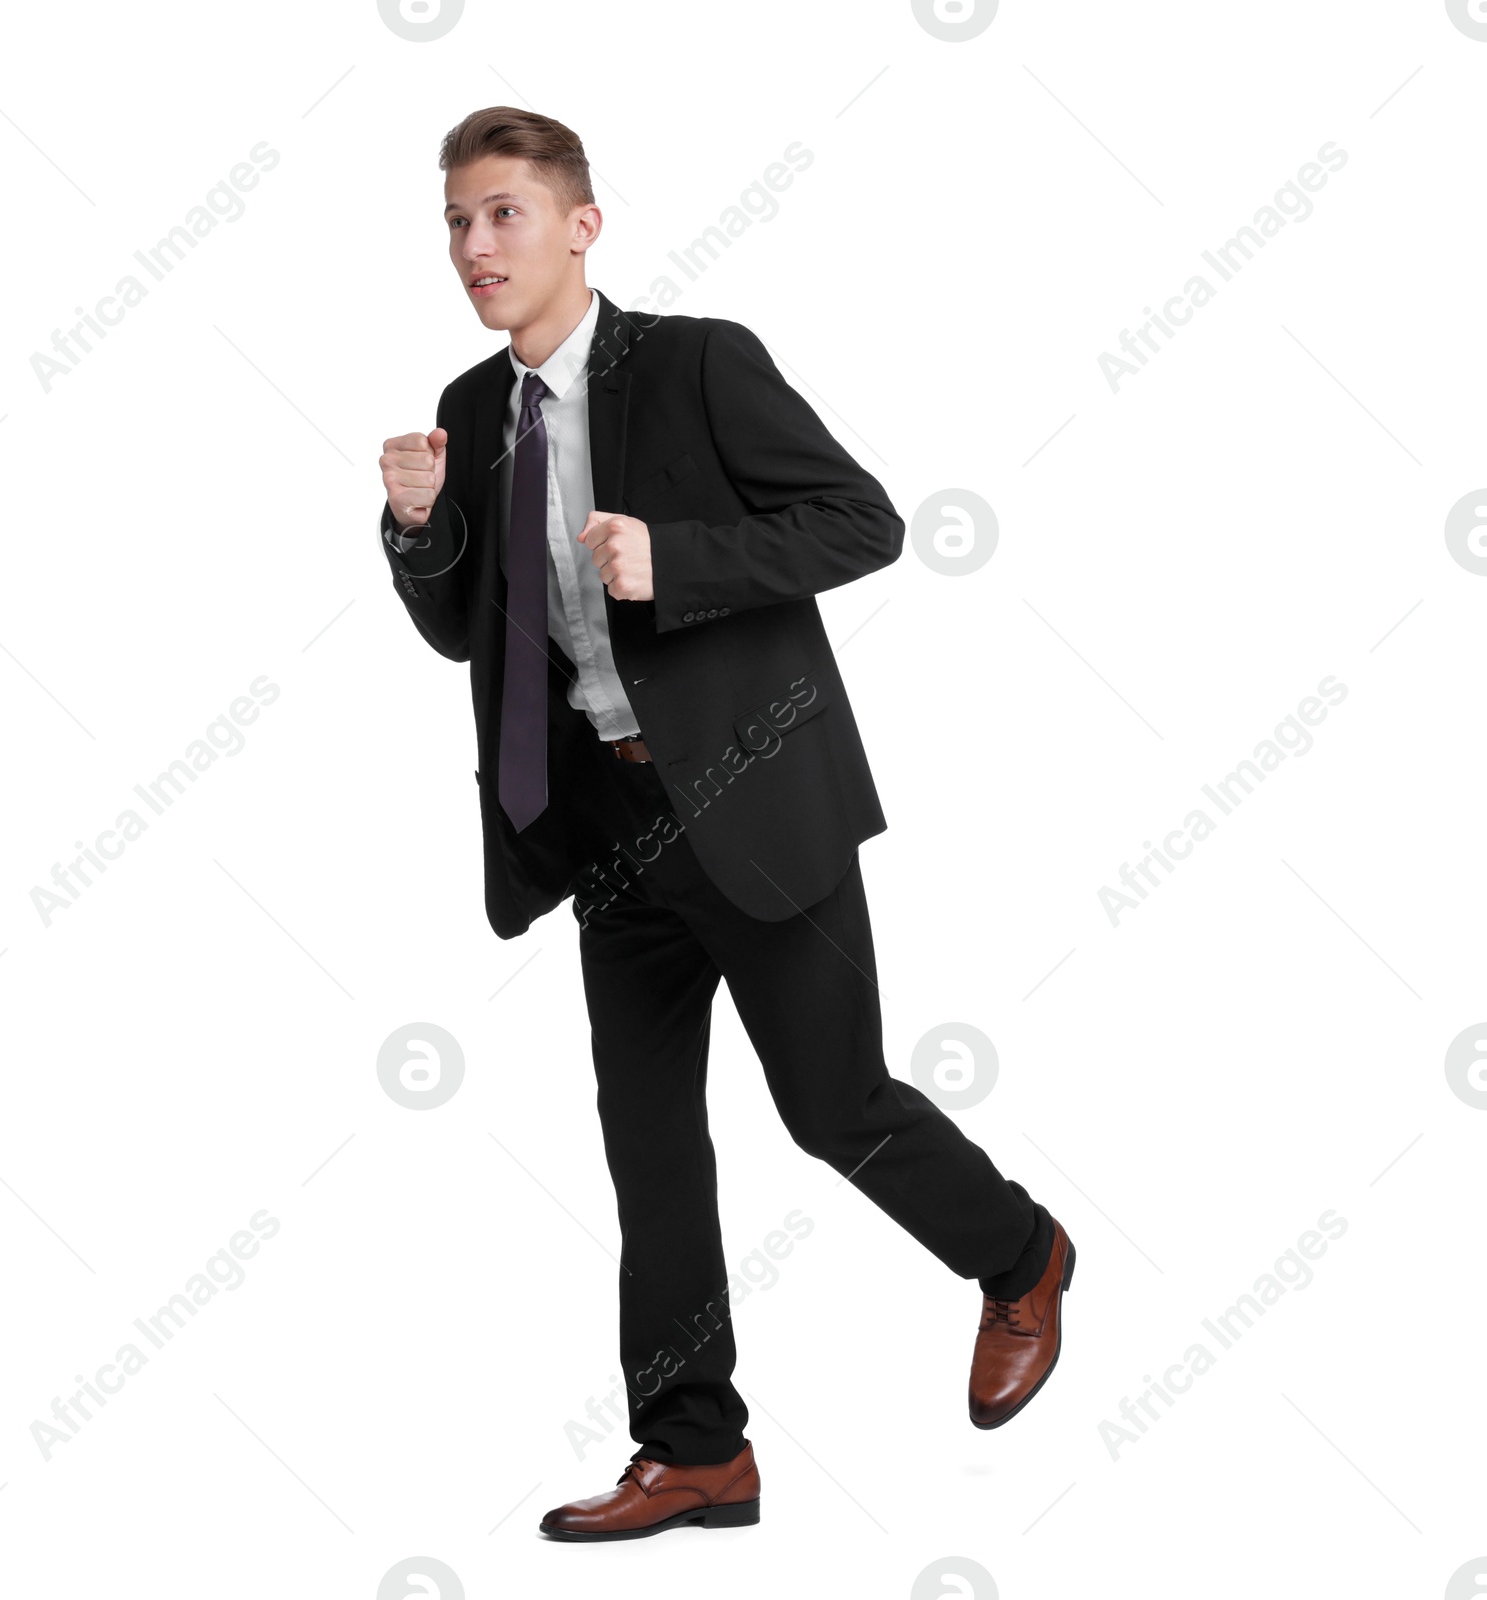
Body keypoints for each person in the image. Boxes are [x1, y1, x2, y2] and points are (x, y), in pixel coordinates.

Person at [376, 105, 1076, 1543]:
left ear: (582, 224)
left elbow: (860, 521)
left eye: (503, 213)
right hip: (598, 826)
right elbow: (467, 635)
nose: (474, 246)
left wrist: (674, 559)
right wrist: (417, 532)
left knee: (834, 1108)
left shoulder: (698, 362)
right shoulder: (466, 408)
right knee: (650, 1146)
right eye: (455, 220)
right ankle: (698, 1452)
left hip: (754, 801)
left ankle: (1021, 1252)